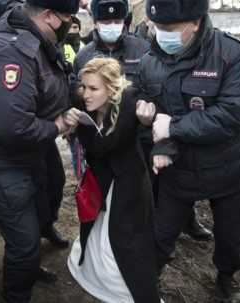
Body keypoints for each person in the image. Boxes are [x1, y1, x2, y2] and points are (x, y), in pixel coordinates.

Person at [136, 0, 240, 302]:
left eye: (170, 28)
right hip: (177, 168)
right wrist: (144, 114)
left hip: (228, 168)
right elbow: (147, 101)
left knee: (232, 235)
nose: (161, 34)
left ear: (195, 22)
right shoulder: (150, 59)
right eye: (157, 27)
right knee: (160, 232)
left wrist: (173, 128)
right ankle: (145, 279)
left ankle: (226, 276)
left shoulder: (236, 57)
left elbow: (232, 116)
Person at [0, 0, 79, 301]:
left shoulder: (38, 41)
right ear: (50, 16)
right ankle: (17, 292)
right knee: (23, 241)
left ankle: (29, 266)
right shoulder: (11, 51)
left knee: (45, 202)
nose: (71, 24)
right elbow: (13, 127)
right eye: (69, 17)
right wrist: (58, 125)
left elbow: (50, 85)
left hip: (28, 151)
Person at [66, 57, 161, 303]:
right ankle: (95, 274)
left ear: (111, 89)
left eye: (93, 88)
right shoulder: (83, 106)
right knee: (99, 233)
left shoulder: (131, 107)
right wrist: (73, 123)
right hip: (101, 183)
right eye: (84, 87)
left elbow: (108, 146)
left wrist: (147, 123)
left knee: (125, 241)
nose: (86, 94)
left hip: (128, 185)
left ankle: (132, 291)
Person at [74, 0, 149, 85]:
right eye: (106, 22)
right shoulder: (83, 57)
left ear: (124, 21)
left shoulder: (143, 50)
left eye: (117, 22)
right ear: (95, 23)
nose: (112, 26)